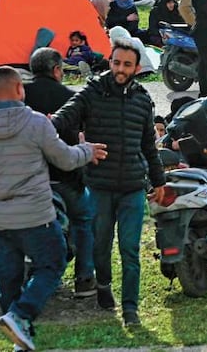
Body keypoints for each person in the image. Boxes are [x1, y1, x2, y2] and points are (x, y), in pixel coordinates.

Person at [0, 67, 106, 349]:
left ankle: (19, 338)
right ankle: (21, 316)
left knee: (8, 280)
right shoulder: (36, 123)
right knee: (53, 263)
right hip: (36, 216)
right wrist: (88, 150)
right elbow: (66, 159)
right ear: (20, 89)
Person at [50, 39, 167, 326]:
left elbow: (149, 147)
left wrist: (158, 181)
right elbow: (65, 118)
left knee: (130, 249)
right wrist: (43, 125)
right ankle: (103, 286)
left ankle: (130, 309)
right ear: (110, 62)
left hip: (132, 188)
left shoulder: (142, 99)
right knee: (100, 246)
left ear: (137, 68)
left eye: (127, 64)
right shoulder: (92, 92)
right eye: (116, 62)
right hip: (99, 186)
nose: (120, 69)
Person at [22, 48, 98, 298]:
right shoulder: (70, 98)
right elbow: (83, 137)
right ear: (56, 70)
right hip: (65, 177)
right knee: (84, 220)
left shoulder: (20, 96)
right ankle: (85, 278)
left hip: (27, 179)